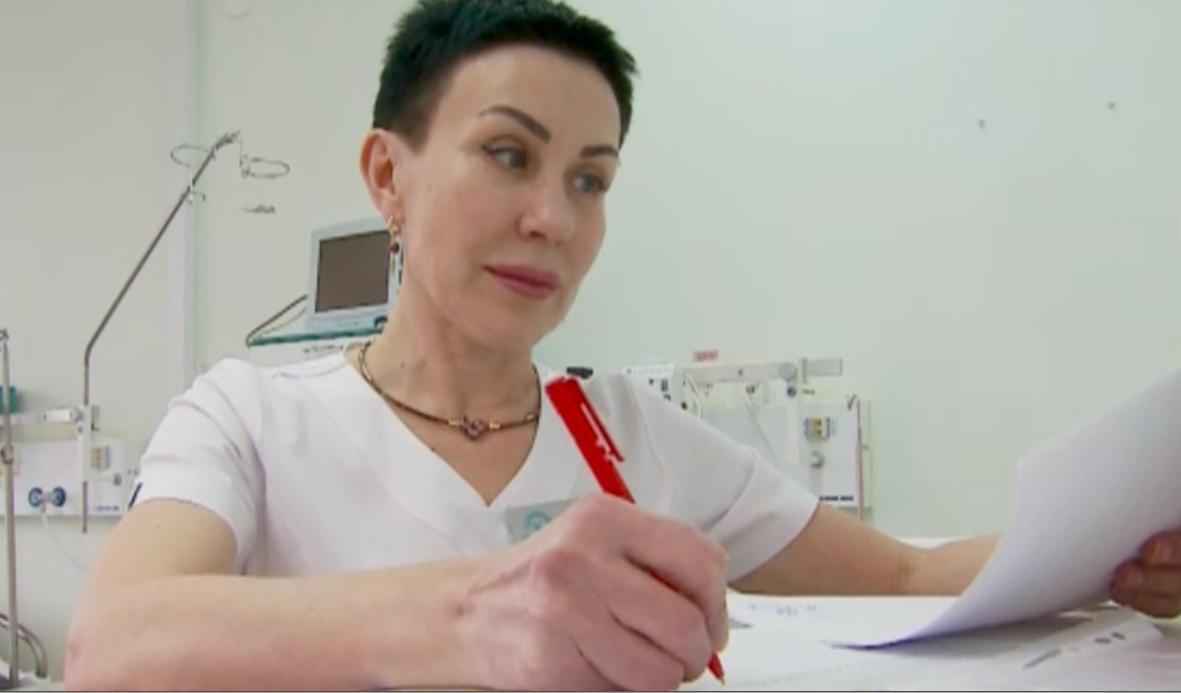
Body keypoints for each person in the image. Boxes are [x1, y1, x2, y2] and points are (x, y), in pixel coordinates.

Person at [65, 0, 1180, 690]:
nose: (553, 217)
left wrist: (1118, 554)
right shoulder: (251, 418)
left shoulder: (634, 438)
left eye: (589, 179)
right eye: (509, 155)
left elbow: (903, 574)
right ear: (386, 176)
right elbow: (114, 643)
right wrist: (475, 614)